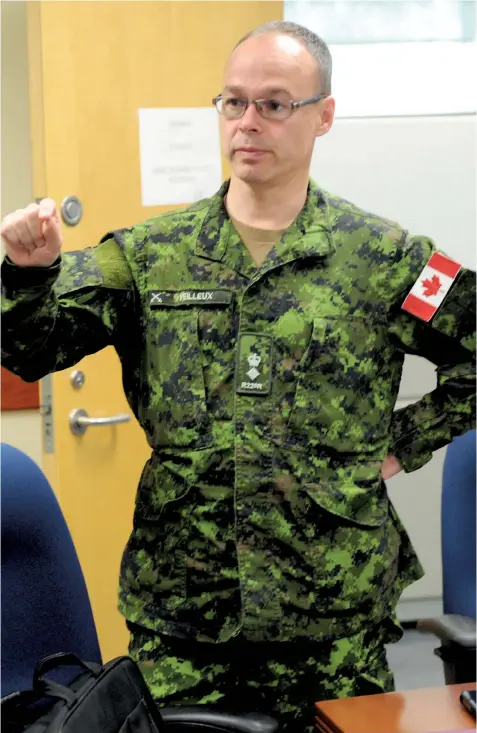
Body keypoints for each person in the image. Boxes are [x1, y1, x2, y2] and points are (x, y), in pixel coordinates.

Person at [1, 19, 475, 732]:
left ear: (323, 115)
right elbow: (32, 350)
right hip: (187, 618)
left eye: (274, 103)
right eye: (232, 102)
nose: (248, 121)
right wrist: (26, 275)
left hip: (332, 615)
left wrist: (402, 441)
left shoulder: (386, 256)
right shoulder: (148, 255)